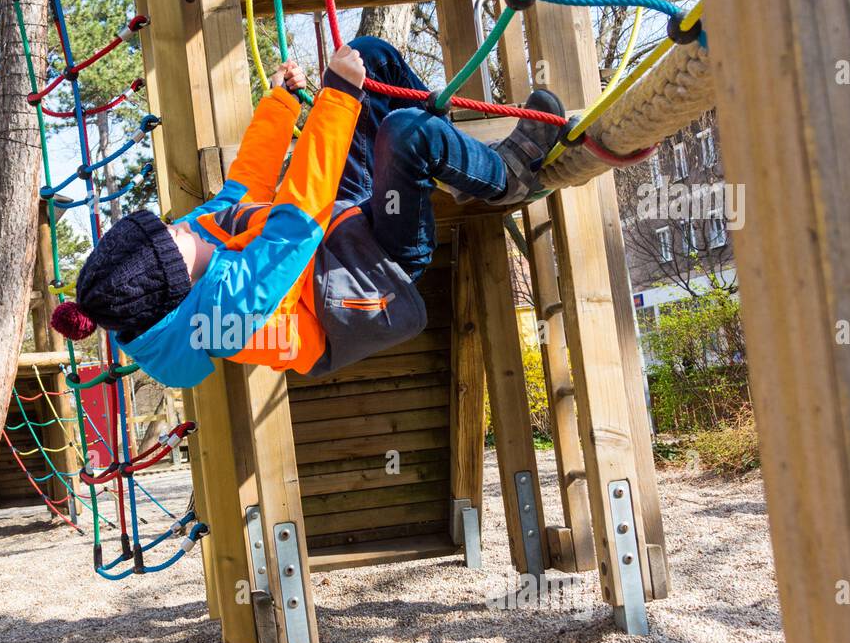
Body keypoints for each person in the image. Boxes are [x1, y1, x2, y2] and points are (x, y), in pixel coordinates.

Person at [51, 36, 563, 387]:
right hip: (371, 273)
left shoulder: (189, 243)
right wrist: (337, 98)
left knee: (370, 56)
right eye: (169, 238)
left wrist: (281, 104)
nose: (176, 226)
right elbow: (295, 224)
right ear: (179, 278)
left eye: (163, 226)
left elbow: (239, 192)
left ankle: (453, 157)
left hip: (340, 229)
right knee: (405, 133)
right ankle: (508, 179)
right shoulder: (225, 317)